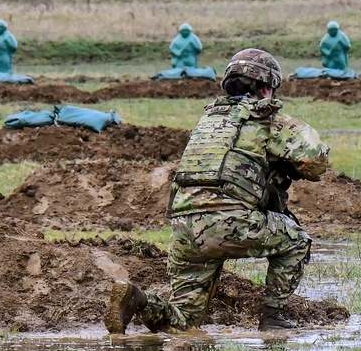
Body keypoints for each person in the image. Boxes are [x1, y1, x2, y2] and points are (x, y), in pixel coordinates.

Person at [105, 49, 331, 333]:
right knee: (296, 239)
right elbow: (315, 160)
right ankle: (273, 317)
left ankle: (137, 301)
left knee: (185, 320)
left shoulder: (208, 121)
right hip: (230, 223)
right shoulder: (265, 117)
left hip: (185, 230)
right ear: (265, 88)